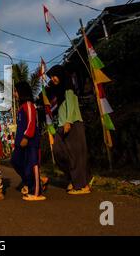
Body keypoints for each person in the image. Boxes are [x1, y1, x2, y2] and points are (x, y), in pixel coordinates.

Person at [47, 65, 92, 195]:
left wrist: (69, 121)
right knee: (58, 152)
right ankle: (75, 178)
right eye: (51, 77)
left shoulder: (68, 88)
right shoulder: (58, 91)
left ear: (60, 74)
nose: (53, 79)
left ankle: (82, 186)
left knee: (76, 155)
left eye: (54, 76)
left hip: (72, 123)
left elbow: (72, 105)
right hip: (62, 126)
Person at [11, 81, 46, 201]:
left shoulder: (29, 105)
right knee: (15, 161)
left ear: (22, 92)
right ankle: (31, 181)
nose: (14, 94)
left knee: (32, 165)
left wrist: (26, 137)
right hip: (20, 143)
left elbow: (31, 122)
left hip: (30, 143)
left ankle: (36, 192)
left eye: (15, 91)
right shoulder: (21, 108)